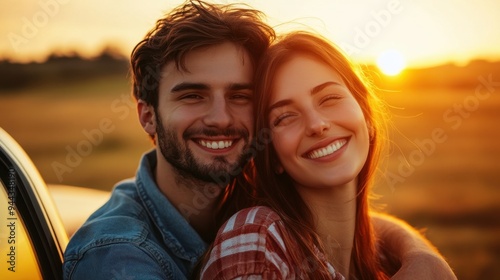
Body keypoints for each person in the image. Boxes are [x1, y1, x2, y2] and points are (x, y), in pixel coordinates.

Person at [63, 1, 455, 279]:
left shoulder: (248, 192)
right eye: (192, 95)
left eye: (240, 95)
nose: (220, 118)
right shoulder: (118, 256)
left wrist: (419, 253)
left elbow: (341, 221)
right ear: (148, 115)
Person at [198, 31, 457, 279]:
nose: (316, 124)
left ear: (366, 115)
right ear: (272, 156)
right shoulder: (259, 240)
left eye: (329, 98)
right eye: (285, 116)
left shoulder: (384, 258)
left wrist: (421, 254)